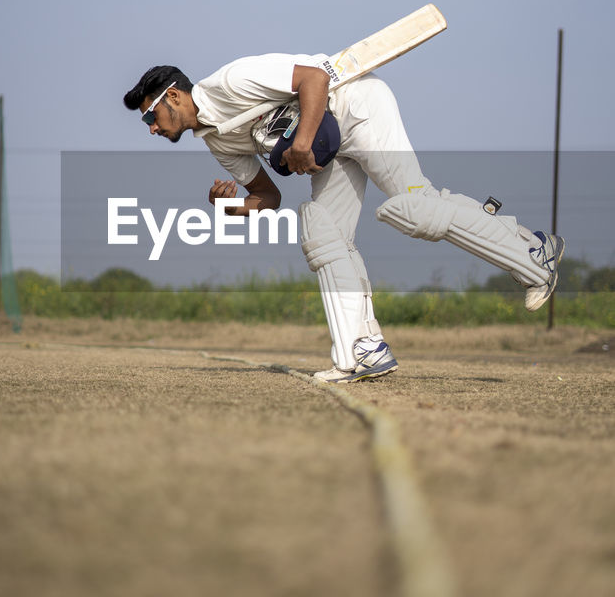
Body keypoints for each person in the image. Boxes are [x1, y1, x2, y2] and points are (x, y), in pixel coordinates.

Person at [122, 53, 564, 383]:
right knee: (321, 229)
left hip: (357, 108)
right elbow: (267, 196)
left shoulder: (232, 80)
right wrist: (229, 207)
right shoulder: (217, 143)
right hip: (324, 147)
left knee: (416, 207)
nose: (152, 128)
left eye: (150, 115)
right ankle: (362, 351)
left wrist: (303, 143)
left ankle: (532, 254)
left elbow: (314, 78)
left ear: (173, 96)